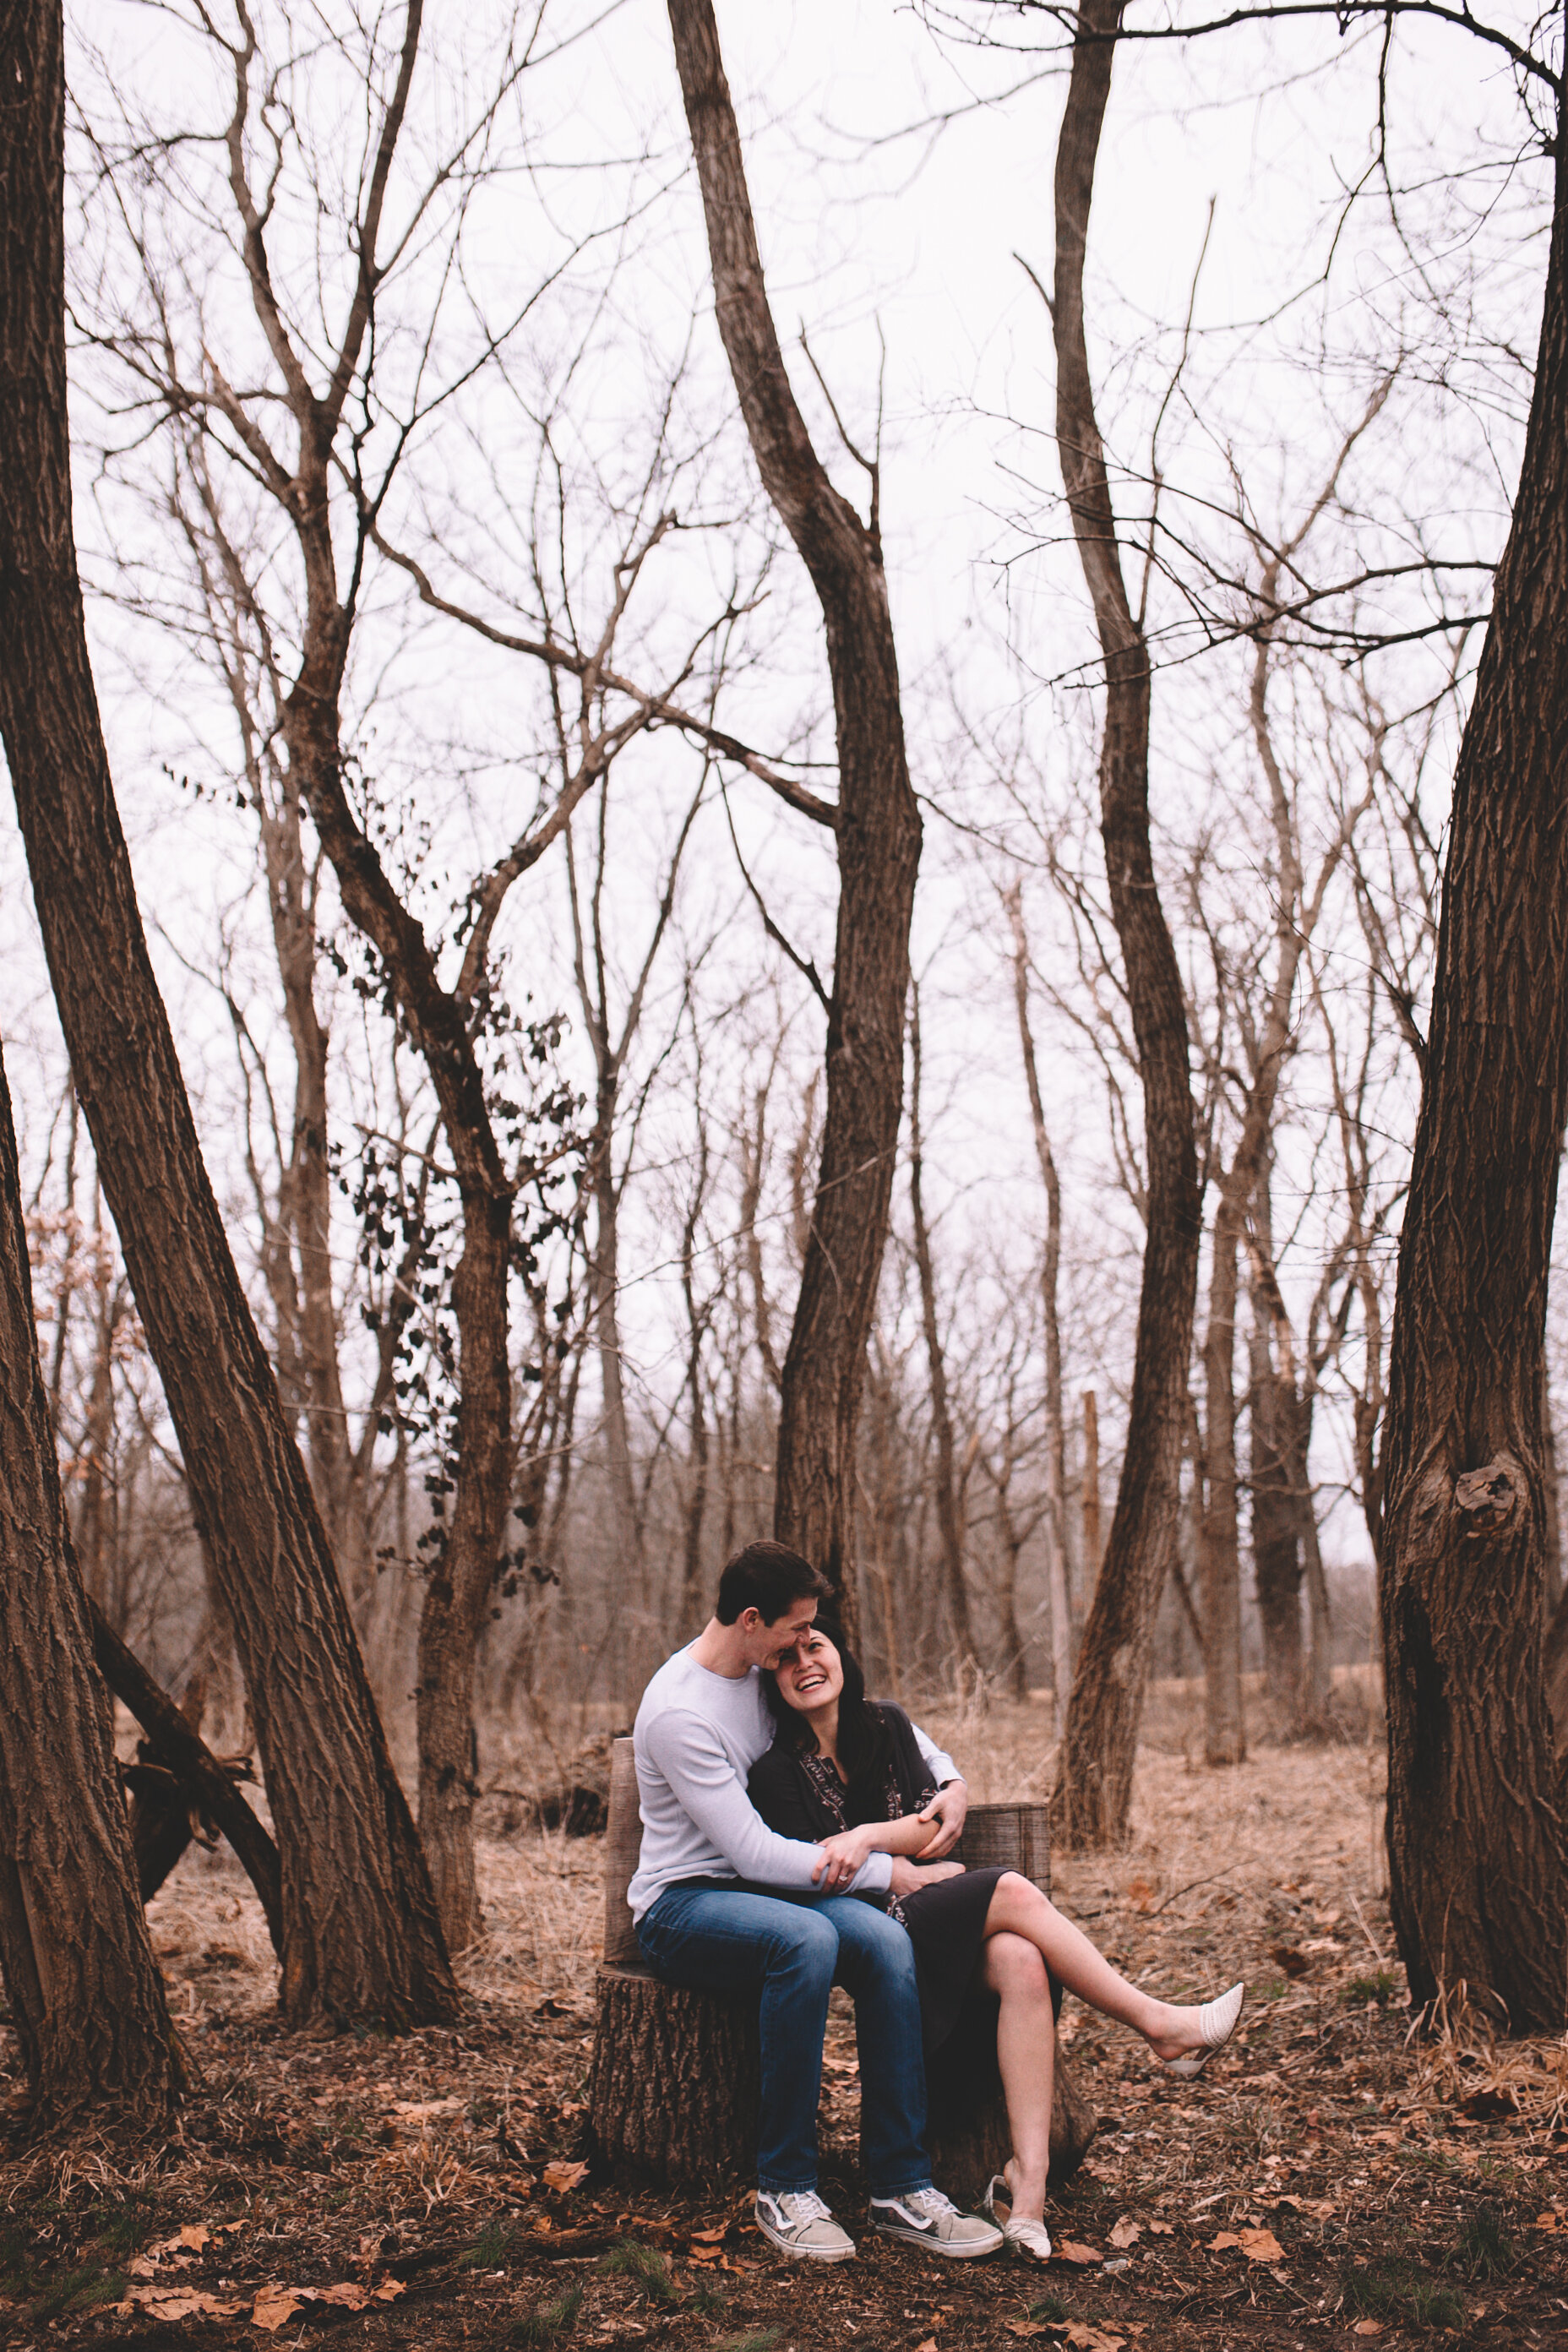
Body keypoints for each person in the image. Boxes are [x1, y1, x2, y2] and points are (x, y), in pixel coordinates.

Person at [749, 1620, 1245, 2262]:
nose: (804, 1662)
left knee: (1021, 1960)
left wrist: (870, 1838)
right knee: (1011, 1889)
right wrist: (901, 1862)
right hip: (862, 1931)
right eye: (786, 1657)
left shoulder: (887, 1726)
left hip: (923, 1911)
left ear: (841, 1654)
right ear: (773, 1677)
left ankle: (1028, 2189)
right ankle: (1157, 2024)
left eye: (815, 1646)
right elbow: (822, 1870)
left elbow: (937, 1829)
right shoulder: (775, 1772)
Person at [628, 1540, 1004, 2265]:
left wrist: (950, 1780)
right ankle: (786, 2187)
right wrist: (887, 1872)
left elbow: (874, 1719)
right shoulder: (680, 1711)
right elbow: (753, 1854)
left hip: (769, 1891)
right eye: (796, 1627)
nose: (807, 1641)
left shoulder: (762, 1671)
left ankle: (899, 2184)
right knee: (805, 1943)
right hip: (685, 1906)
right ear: (750, 1620)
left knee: (884, 1943)